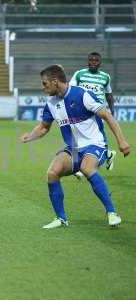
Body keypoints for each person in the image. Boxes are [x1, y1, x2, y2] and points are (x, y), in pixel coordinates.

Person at [21, 65, 130, 229]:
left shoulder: (82, 94)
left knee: (87, 168)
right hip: (73, 149)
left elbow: (107, 116)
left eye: (45, 84)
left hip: (95, 144)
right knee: (52, 173)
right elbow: (44, 127)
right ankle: (61, 218)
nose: (43, 88)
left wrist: (122, 141)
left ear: (55, 81)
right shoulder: (51, 103)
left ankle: (112, 212)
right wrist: (30, 136)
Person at [69, 52, 117, 177]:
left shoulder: (105, 77)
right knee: (80, 137)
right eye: (91, 60)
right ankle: (107, 154)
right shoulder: (79, 74)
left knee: (97, 138)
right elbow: (71, 91)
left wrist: (112, 112)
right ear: (88, 61)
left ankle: (84, 166)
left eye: (96, 60)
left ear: (100, 63)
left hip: (97, 111)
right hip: (81, 111)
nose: (94, 62)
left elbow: (109, 95)